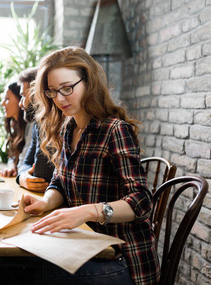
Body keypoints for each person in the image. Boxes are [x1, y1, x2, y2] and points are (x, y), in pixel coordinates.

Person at [23, 46, 159, 284]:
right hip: (86, 247)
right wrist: (45, 202)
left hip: (123, 259)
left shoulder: (114, 130)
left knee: (35, 273)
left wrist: (89, 211)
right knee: (18, 264)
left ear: (89, 82)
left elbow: (141, 201)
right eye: (53, 92)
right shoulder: (69, 127)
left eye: (67, 88)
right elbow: (61, 181)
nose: (60, 99)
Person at [15, 67, 55, 192]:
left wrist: (26, 176)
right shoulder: (37, 125)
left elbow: (41, 176)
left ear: (36, 93)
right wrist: (22, 178)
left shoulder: (53, 124)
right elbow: (26, 163)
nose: (20, 104)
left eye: (23, 96)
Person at [0, 82, 30, 177]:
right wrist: (12, 165)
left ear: (20, 100)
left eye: (7, 99)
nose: (2, 103)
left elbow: (25, 159)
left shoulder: (31, 126)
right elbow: (13, 156)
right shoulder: (15, 126)